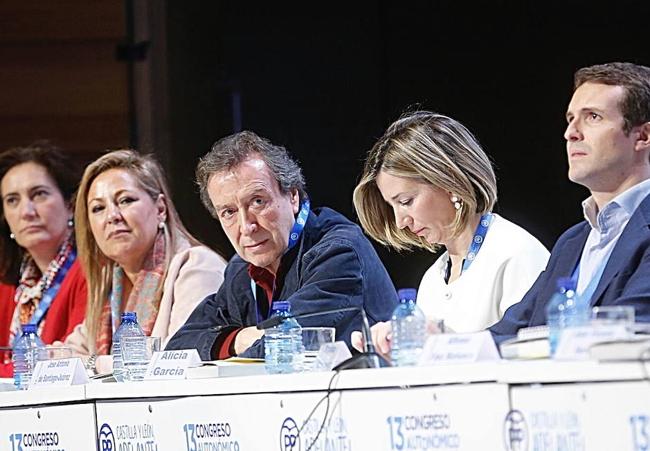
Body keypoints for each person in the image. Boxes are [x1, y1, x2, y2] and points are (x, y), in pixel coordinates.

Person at [166, 131, 397, 359]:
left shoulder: (339, 253)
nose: (246, 226)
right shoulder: (240, 270)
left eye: (258, 202)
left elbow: (283, 345)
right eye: (229, 212)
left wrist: (234, 340)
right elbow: (178, 349)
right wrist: (239, 338)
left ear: (293, 196)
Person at [351, 111, 549, 356]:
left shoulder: (517, 254)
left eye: (406, 201)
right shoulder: (432, 279)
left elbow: (533, 357)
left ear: (449, 180)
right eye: (392, 207)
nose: (400, 221)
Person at [490, 62, 650, 343]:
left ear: (643, 136)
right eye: (570, 118)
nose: (571, 133)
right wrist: (437, 342)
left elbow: (631, 330)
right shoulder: (571, 243)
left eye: (593, 117)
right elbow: (509, 333)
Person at [63, 150, 226, 358]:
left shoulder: (198, 266)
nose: (112, 216)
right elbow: (68, 355)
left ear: (160, 209)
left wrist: (94, 365)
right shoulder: (111, 284)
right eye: (98, 208)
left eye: (125, 200)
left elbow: (181, 356)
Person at [0, 144, 87, 376]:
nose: (26, 211)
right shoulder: (8, 283)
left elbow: (68, 363)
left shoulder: (90, 272)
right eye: (12, 200)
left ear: (70, 205)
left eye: (39, 194)